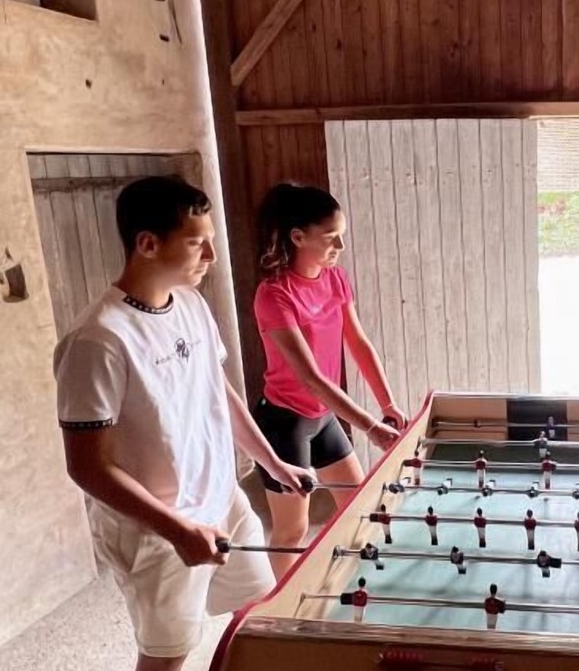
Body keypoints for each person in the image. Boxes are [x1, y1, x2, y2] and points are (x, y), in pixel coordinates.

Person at [55, 176, 315, 671]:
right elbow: (87, 467)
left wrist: (273, 463)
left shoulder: (191, 303)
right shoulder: (98, 340)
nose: (212, 256)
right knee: (167, 657)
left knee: (258, 620)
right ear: (148, 244)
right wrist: (177, 529)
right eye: (198, 243)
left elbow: (219, 393)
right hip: (156, 527)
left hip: (222, 499)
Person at [252, 182, 404, 579]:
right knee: (293, 530)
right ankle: (282, 602)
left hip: (323, 419)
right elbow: (312, 379)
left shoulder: (335, 279)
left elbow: (359, 343)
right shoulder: (274, 294)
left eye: (342, 235)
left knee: (360, 508)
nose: (340, 246)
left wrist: (387, 404)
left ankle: (352, 582)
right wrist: (370, 426)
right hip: (284, 423)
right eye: (331, 237)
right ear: (298, 237)